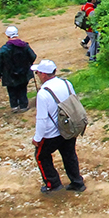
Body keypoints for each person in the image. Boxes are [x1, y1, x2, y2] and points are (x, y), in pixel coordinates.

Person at [32, 59, 85, 193]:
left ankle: (53, 184)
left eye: (38, 73)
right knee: (69, 154)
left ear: (43, 74)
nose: (37, 75)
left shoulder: (43, 93)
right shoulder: (66, 83)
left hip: (52, 133)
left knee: (41, 156)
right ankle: (77, 182)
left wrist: (37, 138)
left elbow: (42, 119)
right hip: (69, 128)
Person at [0, 25, 37, 112]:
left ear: (7, 36)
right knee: (23, 89)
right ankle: (23, 106)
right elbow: (33, 56)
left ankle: (14, 106)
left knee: (11, 90)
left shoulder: (4, 49)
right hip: (24, 73)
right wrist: (28, 64)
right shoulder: (24, 46)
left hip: (9, 74)